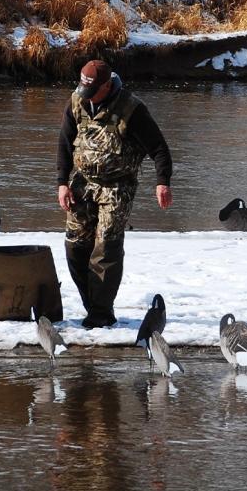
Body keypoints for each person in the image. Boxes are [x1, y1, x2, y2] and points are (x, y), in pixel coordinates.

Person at [57, 60, 174, 328]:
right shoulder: (77, 101)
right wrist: (62, 182)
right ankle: (93, 305)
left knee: (106, 249)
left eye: (92, 92)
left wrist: (162, 182)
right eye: (84, 90)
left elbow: (159, 148)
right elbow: (64, 142)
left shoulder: (131, 109)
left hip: (117, 187)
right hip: (82, 183)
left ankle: (100, 315)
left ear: (107, 85)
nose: (87, 97)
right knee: (75, 247)